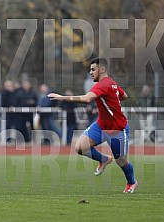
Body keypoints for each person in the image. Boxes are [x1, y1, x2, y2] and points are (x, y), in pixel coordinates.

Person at [48, 57, 137, 193]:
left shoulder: (103, 85)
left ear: (102, 69)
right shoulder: (111, 83)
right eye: (90, 69)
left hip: (117, 129)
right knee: (80, 147)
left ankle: (132, 182)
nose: (90, 72)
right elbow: (124, 95)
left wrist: (61, 97)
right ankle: (104, 159)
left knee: (122, 162)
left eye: (93, 69)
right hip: (101, 125)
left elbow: (87, 99)